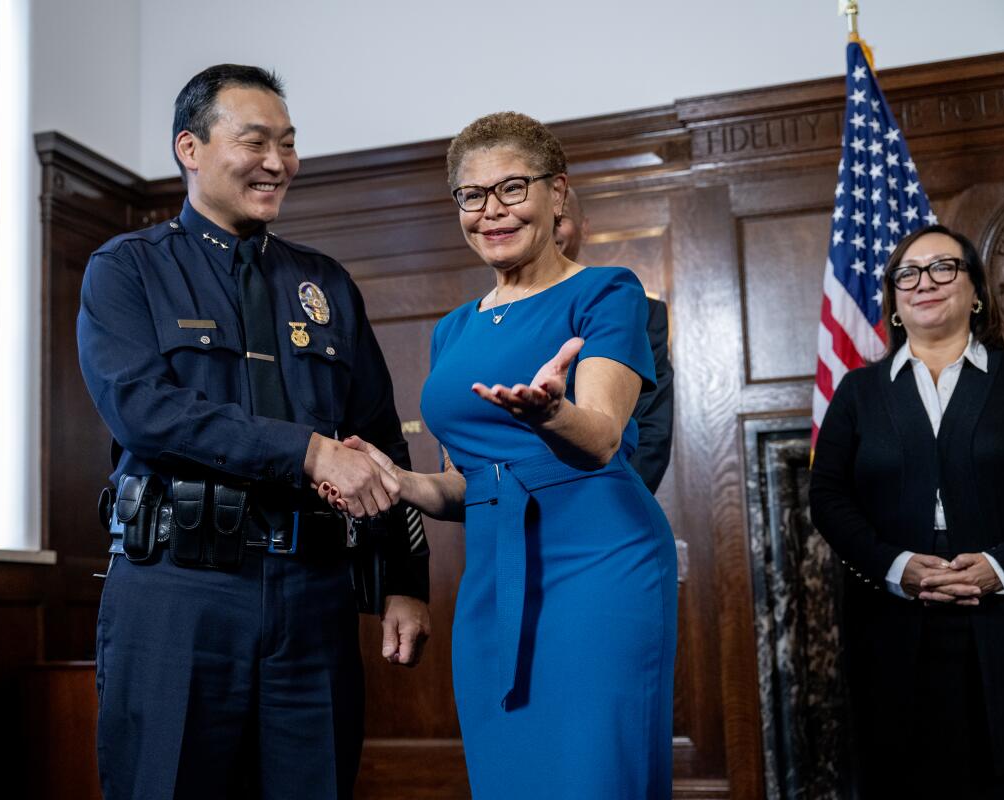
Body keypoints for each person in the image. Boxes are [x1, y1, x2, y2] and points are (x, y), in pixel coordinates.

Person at [76, 64, 430, 800]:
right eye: (256, 141)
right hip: (180, 593)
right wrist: (304, 450)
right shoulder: (128, 270)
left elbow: (378, 443)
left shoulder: (324, 284)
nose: (278, 162)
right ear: (191, 148)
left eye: (289, 144)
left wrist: (403, 582)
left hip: (315, 597)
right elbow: (145, 410)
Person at [323, 112, 677, 798]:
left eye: (513, 188)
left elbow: (603, 436)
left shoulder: (607, 291)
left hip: (600, 563)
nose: (491, 211)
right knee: (510, 777)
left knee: (594, 775)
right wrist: (399, 480)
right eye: (472, 194)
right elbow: (465, 486)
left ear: (557, 193)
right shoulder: (454, 330)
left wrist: (553, 414)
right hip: (494, 577)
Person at [810, 225, 1004, 797]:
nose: (923, 282)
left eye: (942, 268)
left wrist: (1002, 566)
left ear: (975, 290)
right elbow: (827, 497)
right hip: (892, 627)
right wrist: (895, 564)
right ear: (895, 300)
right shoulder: (858, 392)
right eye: (908, 273)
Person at [554, 186, 674, 493]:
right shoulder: (489, 317)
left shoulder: (638, 309)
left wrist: (612, 504)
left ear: (584, 227)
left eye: (561, 218)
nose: (549, 229)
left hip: (610, 501)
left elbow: (652, 428)